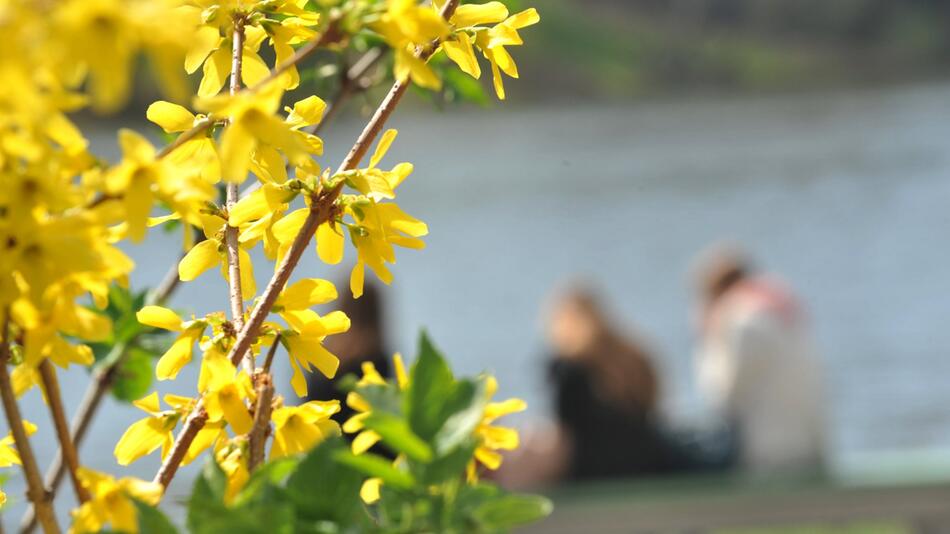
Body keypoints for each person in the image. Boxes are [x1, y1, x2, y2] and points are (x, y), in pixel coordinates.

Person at [520, 285, 699, 484]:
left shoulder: (568, 368)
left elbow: (565, 434)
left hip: (595, 471)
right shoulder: (632, 354)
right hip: (648, 458)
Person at [693, 245, 826, 475]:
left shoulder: (739, 321)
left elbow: (721, 395)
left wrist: (707, 341)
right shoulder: (782, 306)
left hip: (769, 456)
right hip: (810, 444)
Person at [306, 279, 391, 424]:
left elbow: (307, 405)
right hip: (367, 444)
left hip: (324, 440)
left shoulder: (318, 354)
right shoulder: (377, 359)